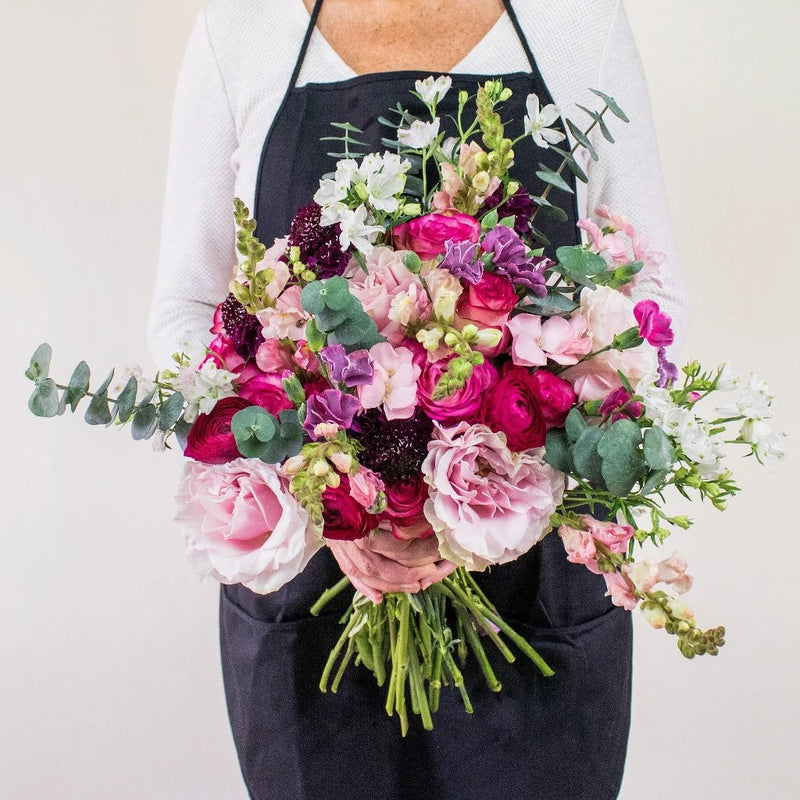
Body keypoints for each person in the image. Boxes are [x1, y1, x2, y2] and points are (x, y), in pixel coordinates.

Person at [148, 1, 689, 798]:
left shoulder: (578, 25)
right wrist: (329, 494)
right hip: (313, 581)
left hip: (534, 581)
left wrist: (492, 499)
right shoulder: (243, 28)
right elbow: (185, 310)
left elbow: (654, 293)